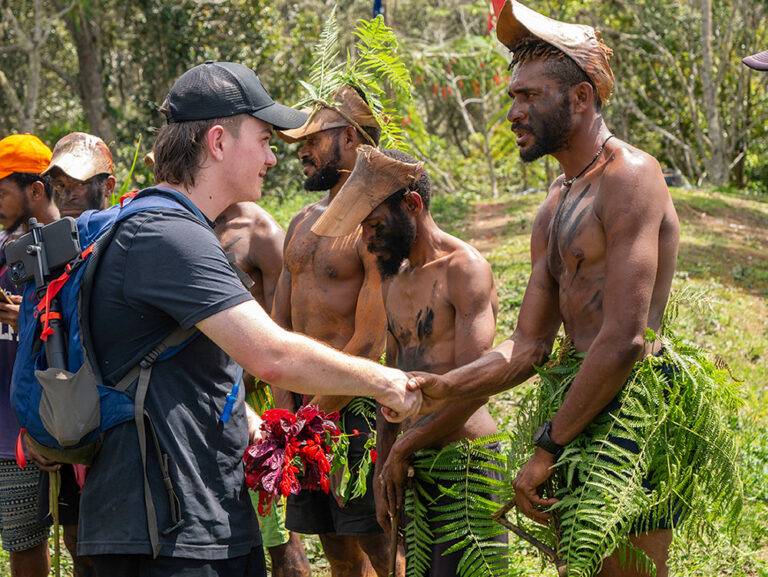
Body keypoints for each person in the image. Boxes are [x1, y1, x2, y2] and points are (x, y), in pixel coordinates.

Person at [24, 61, 420, 577]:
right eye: (263, 138)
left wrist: (250, 422)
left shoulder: (167, 226)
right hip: (168, 534)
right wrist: (387, 382)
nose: (273, 157)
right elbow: (272, 354)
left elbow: (183, 365)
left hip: (182, 518)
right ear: (217, 141)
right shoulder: (171, 237)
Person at [406, 3, 680, 576]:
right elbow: (528, 347)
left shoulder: (631, 177)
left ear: (580, 99)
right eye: (513, 96)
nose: (513, 112)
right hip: (575, 413)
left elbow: (625, 338)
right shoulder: (555, 204)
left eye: (528, 96)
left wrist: (547, 447)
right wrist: (437, 387)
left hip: (626, 417)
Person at [312, 146, 504, 575]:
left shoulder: (464, 269)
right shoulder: (393, 279)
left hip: (465, 462)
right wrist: (384, 466)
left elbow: (474, 386)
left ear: (412, 205)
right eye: (363, 228)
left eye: (375, 224)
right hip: (410, 465)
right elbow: (391, 380)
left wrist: (401, 451)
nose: (367, 239)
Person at [273, 85, 396, 577]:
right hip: (306, 417)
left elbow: (370, 341)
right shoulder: (301, 222)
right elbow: (279, 330)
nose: (301, 151)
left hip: (357, 407)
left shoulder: (378, 222)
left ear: (349, 137)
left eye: (313, 139)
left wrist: (311, 420)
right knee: (336, 549)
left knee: (378, 543)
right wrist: (285, 421)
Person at [31, 131, 118, 577]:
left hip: (123, 429)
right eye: (59, 183)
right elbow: (32, 352)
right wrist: (33, 430)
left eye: (81, 183)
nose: (68, 193)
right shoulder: (45, 251)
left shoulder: (132, 238)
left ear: (109, 186)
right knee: (77, 540)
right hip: (67, 425)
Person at [214, 203, 312, 576]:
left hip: (253, 400)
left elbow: (279, 332)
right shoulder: (183, 221)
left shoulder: (260, 233)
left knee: (277, 535)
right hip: (200, 400)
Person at [0, 133, 58, 577]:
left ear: (34, 190)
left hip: (23, 434)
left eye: (2, 191)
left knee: (27, 545)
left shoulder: (69, 252)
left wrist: (34, 317)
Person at [43, 132, 116, 218]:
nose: (67, 197)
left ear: (108, 186)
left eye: (80, 184)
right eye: (60, 185)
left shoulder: (126, 229)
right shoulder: (53, 231)